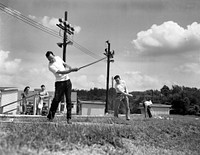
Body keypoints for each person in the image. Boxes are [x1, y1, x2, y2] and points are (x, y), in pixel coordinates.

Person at [45, 51, 79, 124]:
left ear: (54, 55)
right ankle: (50, 117)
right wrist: (72, 70)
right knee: (56, 100)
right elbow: (61, 72)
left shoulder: (58, 58)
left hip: (67, 81)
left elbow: (64, 64)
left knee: (69, 100)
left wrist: (71, 67)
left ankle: (69, 118)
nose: (51, 60)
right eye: (49, 59)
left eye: (51, 58)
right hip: (59, 83)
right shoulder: (50, 66)